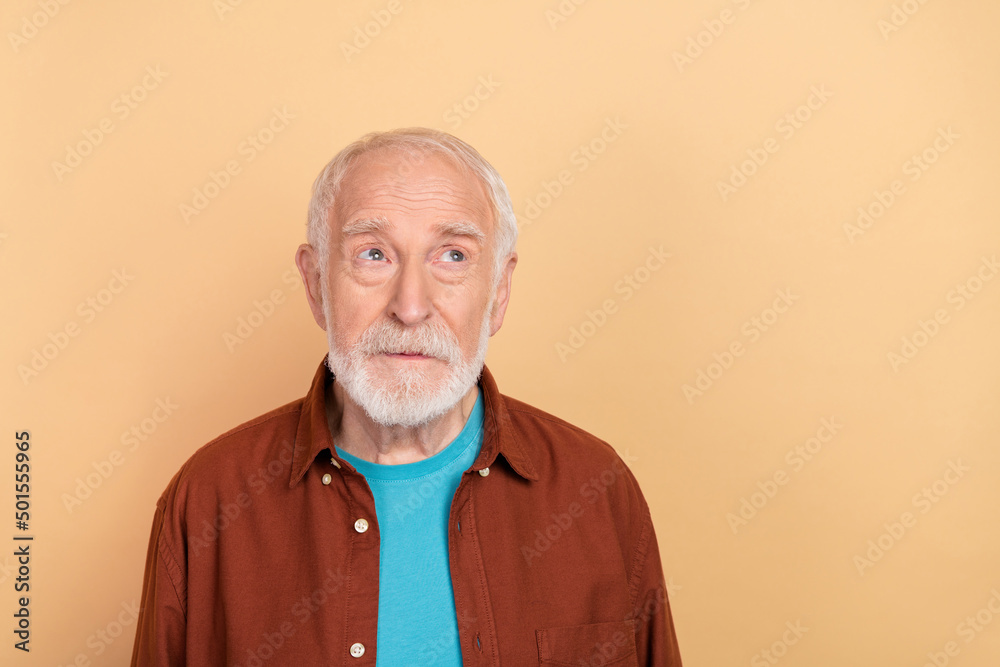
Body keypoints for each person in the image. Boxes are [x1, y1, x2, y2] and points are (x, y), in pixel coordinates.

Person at [130, 127, 683, 666]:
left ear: (500, 291)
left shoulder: (596, 489)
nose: (411, 306)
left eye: (453, 256)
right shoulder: (207, 501)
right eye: (373, 255)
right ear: (315, 283)